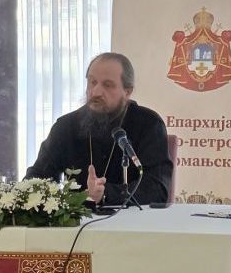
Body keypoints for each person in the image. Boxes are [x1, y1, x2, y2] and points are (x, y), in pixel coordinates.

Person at [26, 52, 173, 206]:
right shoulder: (66, 126)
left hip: (132, 219)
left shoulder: (149, 124)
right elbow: (38, 177)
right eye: (92, 82)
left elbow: (157, 188)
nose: (95, 92)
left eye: (107, 85)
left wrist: (105, 194)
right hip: (77, 219)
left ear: (127, 91)